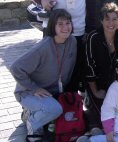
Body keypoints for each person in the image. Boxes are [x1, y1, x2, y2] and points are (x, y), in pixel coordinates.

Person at [9, 9, 77, 139]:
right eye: (60, 24)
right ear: (53, 26)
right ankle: (31, 122)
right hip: (28, 92)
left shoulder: (72, 42)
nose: (65, 27)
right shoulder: (43, 47)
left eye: (68, 23)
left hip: (52, 91)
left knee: (66, 112)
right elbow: (16, 68)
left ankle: (34, 111)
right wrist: (34, 88)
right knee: (55, 110)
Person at [85, 3, 118, 126]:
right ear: (101, 20)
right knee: (105, 120)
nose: (111, 23)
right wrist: (95, 91)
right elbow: (89, 67)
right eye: (107, 19)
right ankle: (89, 99)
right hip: (99, 85)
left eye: (114, 19)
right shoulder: (93, 37)